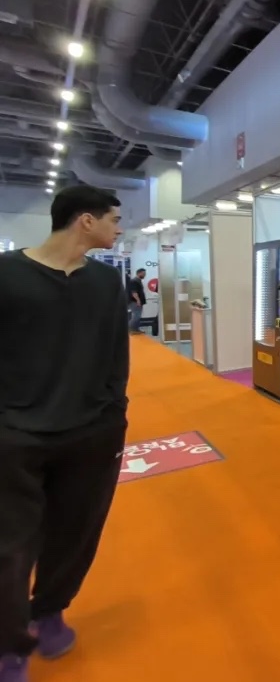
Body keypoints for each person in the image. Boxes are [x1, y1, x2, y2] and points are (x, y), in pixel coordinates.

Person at [0, 186, 131, 682]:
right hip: (15, 437)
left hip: (92, 435)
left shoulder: (106, 281)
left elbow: (117, 352)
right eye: (113, 218)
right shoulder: (7, 274)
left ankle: (49, 610)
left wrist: (114, 411)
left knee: (76, 534)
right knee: (10, 546)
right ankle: (9, 642)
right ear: (85, 220)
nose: (119, 227)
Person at [126, 268, 146, 334]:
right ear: (139, 273)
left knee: (138, 316)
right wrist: (138, 300)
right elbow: (134, 292)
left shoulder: (138, 281)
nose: (144, 275)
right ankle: (128, 329)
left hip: (136, 301)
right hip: (134, 302)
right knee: (136, 316)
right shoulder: (134, 281)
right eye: (143, 273)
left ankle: (136, 329)